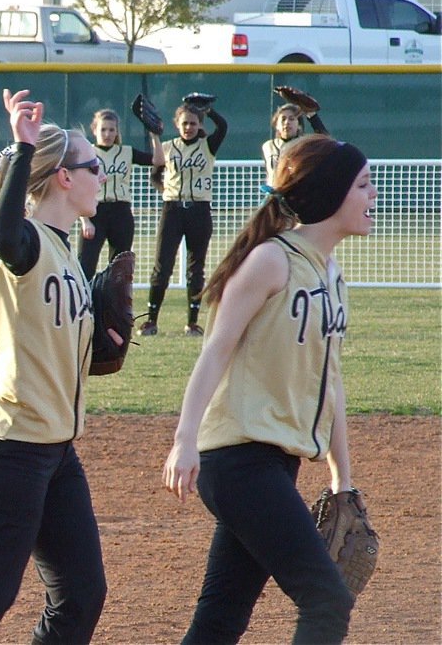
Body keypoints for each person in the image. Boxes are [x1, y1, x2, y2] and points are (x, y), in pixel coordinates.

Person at [162, 135, 374, 643]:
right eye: (363, 186)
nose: (373, 198)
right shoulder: (271, 261)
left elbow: (331, 381)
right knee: (326, 598)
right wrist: (184, 438)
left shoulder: (330, 273)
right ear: (331, 194)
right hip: (236, 460)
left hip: (276, 463)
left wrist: (341, 477)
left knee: (220, 617)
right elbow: (215, 349)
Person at [0, 89, 111, 645]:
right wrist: (21, 147)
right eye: (93, 166)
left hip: (55, 451)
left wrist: (103, 343)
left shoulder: (65, 254)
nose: (102, 174)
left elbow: (56, 347)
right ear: (64, 178)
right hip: (10, 451)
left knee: (81, 594)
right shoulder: (28, 244)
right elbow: (5, 234)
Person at [137, 99, 228, 337]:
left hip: (199, 208)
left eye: (193, 123)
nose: (189, 127)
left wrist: (208, 110)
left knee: (195, 268)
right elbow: (156, 171)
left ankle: (192, 322)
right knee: (162, 266)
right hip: (173, 209)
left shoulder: (208, 145)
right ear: (176, 124)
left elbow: (223, 127)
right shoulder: (168, 147)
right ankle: (151, 321)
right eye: (185, 123)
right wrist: (166, 189)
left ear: (199, 125)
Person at [77, 107, 162, 279]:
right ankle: (84, 303)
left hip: (121, 212)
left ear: (117, 131)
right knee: (85, 265)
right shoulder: (87, 153)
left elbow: (158, 160)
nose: (107, 134)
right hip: (94, 211)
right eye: (103, 129)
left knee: (119, 268)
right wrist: (85, 221)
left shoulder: (126, 152)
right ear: (94, 130)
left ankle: (114, 305)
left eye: (111, 129)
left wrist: (154, 135)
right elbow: (78, 188)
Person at [262, 101, 327, 186]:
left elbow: (326, 140)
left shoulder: (305, 144)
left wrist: (312, 115)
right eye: (283, 119)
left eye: (292, 119)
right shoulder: (269, 146)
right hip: (276, 194)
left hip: (298, 194)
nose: (287, 122)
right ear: (276, 125)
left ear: (299, 125)